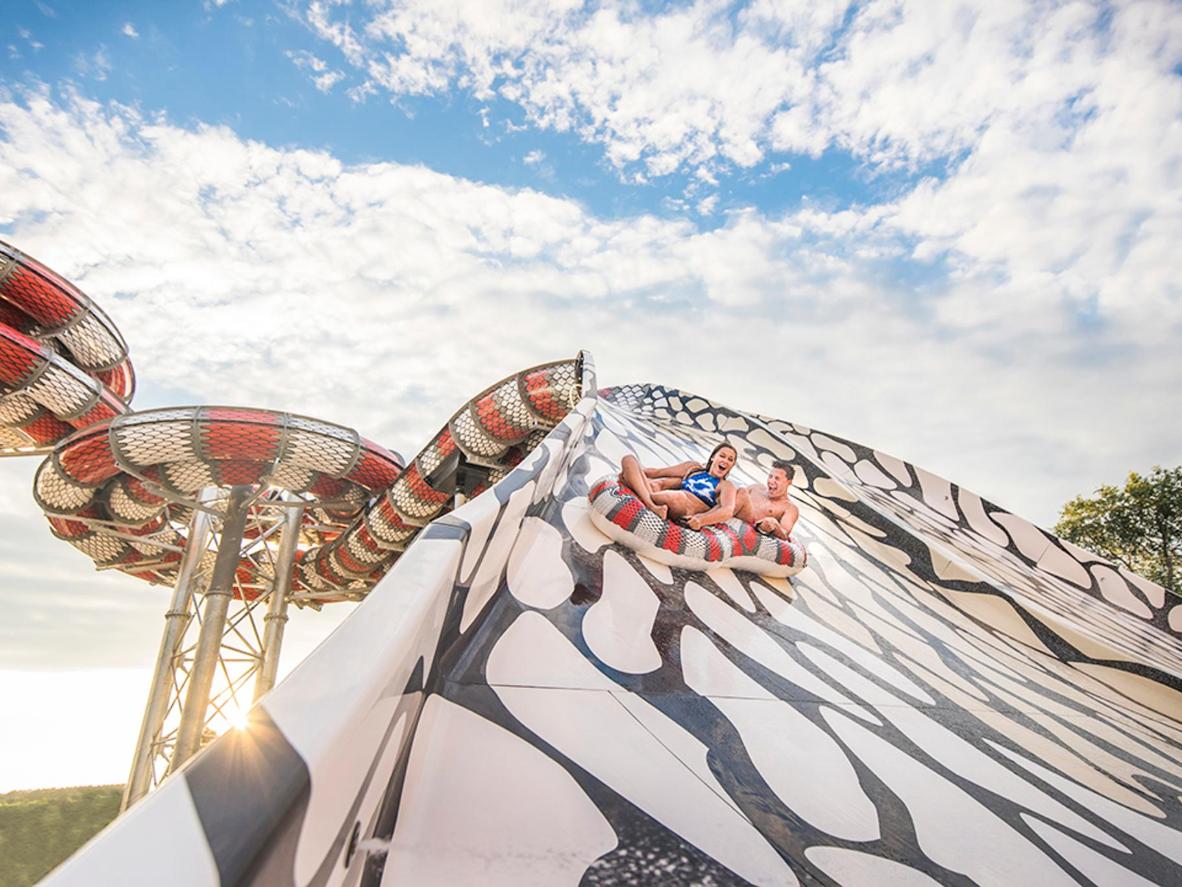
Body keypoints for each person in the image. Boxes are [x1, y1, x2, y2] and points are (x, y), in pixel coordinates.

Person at [618, 443, 738, 530]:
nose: (725, 461)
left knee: (673, 496)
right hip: (664, 498)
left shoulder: (726, 485)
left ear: (732, 465)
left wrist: (701, 520)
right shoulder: (694, 468)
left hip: (683, 507)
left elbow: (727, 511)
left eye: (730, 459)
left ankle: (647, 499)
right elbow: (657, 472)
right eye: (722, 456)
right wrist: (631, 472)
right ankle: (653, 506)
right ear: (713, 457)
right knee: (629, 459)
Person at [734, 460, 799, 540]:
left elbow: (785, 534)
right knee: (740, 492)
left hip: (755, 530)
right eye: (770, 476)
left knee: (742, 492)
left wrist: (775, 526)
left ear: (789, 482)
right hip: (735, 516)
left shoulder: (789, 508)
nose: (771, 481)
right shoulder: (756, 488)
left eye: (777, 478)